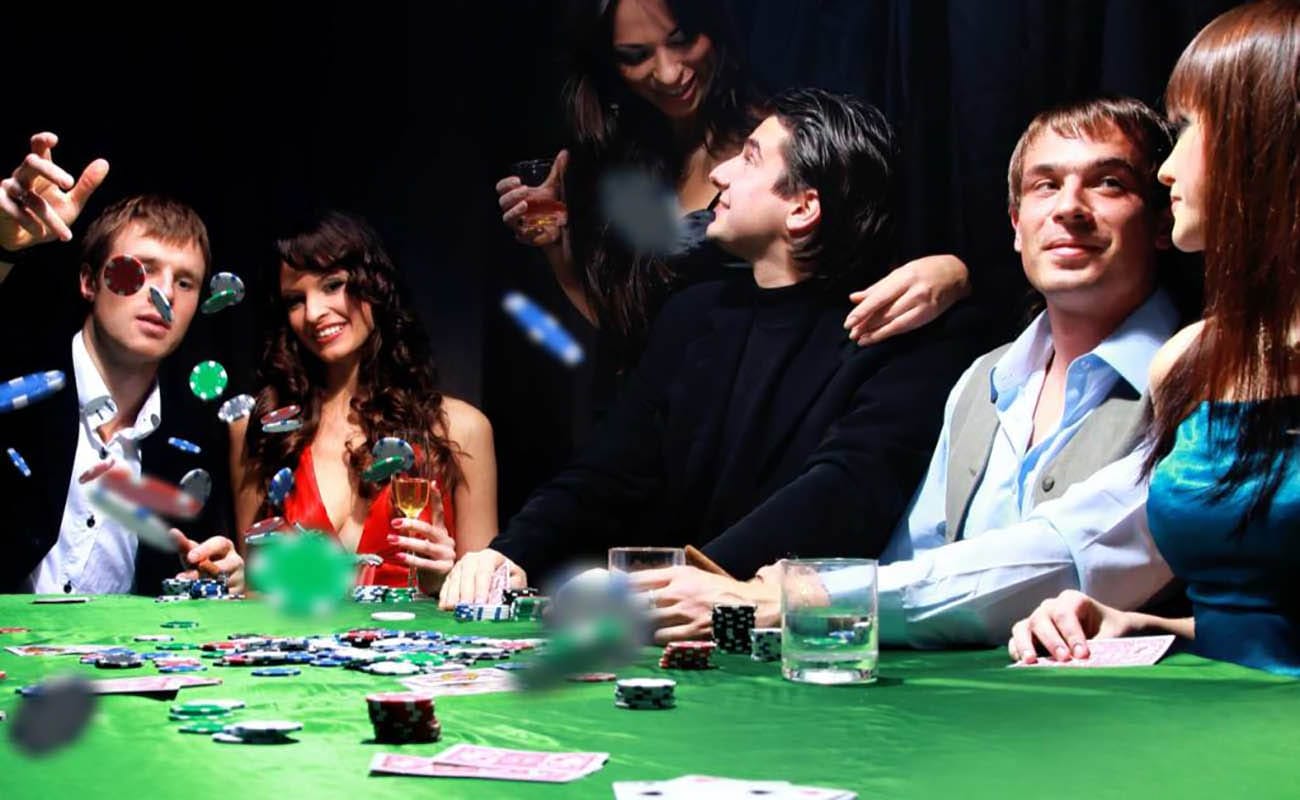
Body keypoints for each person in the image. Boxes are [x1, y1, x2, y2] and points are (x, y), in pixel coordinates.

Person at [627, 96, 1185, 643]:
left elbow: (1054, 558)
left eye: (1108, 183)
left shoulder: (1199, 379)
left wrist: (795, 596)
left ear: (1164, 218)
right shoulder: (985, 380)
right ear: (1016, 224)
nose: (1069, 208)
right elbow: (916, 556)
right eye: (1046, 185)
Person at [442, 88, 983, 607]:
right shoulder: (694, 315)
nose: (720, 173)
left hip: (804, 636)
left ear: (802, 209)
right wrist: (509, 553)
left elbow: (842, 492)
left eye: (749, 158)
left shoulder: (897, 330)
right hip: (677, 628)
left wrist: (685, 583)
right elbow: (608, 471)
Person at [1009, 0, 1300, 676]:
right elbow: (1255, 616)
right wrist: (1140, 624)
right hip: (1207, 716)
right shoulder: (1191, 361)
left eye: (1191, 128)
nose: (1166, 169)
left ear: (1269, 141)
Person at [494, 0, 971, 383]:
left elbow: (870, 266)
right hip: (661, 417)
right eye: (636, 56)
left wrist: (952, 272)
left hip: (774, 400)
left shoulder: (782, 136)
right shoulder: (614, 164)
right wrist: (558, 248)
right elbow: (626, 331)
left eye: (682, 39)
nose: (669, 72)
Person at [0, 133, 244, 594]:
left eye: (185, 283)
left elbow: (187, 578)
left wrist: (220, 577)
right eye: (141, 270)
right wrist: (3, 245)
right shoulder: (15, 383)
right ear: (89, 281)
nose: (164, 294)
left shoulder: (194, 439)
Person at [229, 211, 497, 594]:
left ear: (375, 285)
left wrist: (443, 578)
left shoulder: (461, 429)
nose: (314, 313)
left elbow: (486, 600)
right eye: (295, 301)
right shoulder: (258, 428)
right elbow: (252, 593)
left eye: (333, 285)